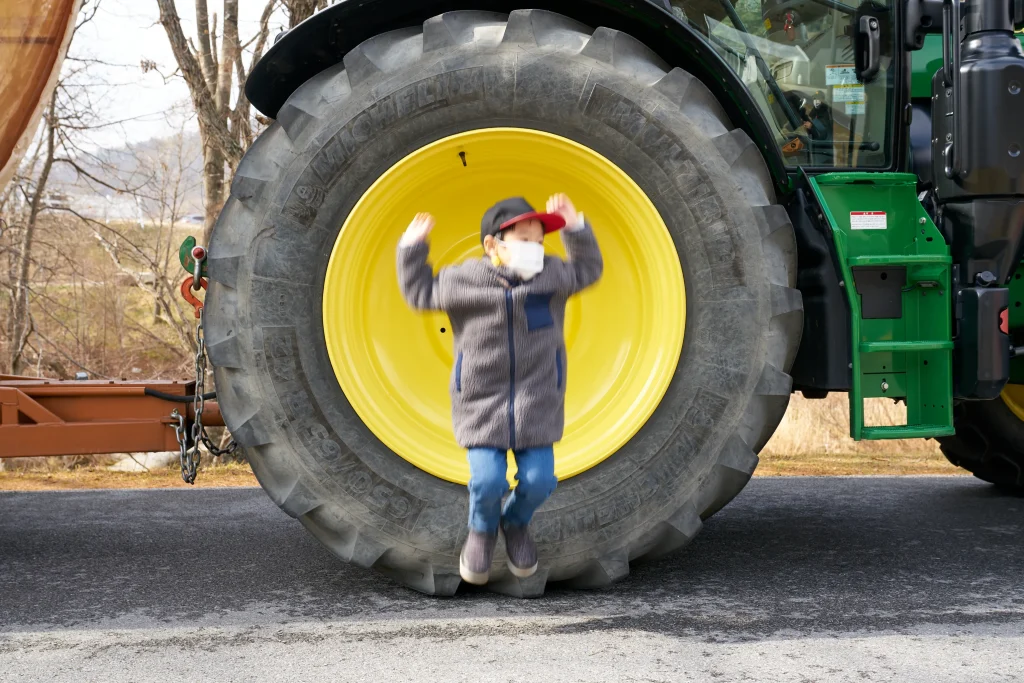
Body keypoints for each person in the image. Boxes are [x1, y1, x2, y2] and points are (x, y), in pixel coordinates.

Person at [396, 194, 603, 585]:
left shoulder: (552, 278)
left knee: (541, 480)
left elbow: (589, 270)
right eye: (525, 239)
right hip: (481, 404)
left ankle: (515, 523)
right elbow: (419, 292)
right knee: (488, 480)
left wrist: (575, 227)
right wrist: (411, 247)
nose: (535, 248)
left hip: (538, 401)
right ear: (493, 244)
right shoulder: (464, 282)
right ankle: (481, 530)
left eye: (540, 241)